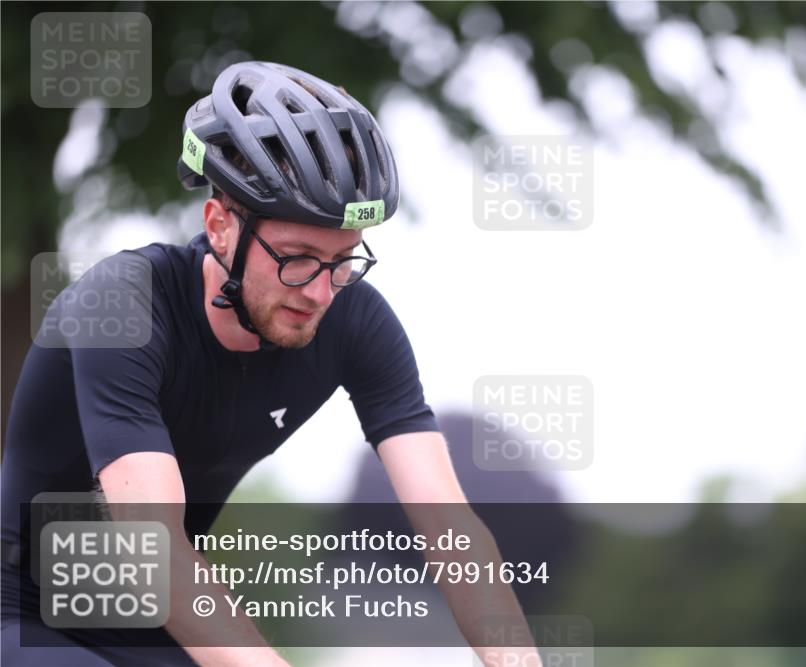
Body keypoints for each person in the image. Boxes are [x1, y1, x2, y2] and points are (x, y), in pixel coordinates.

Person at [2, 61, 537, 667]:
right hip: (24, 612)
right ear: (219, 226)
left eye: (343, 259)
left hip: (155, 628)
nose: (319, 291)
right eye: (296, 257)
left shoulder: (355, 318)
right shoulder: (124, 303)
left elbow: (451, 534)